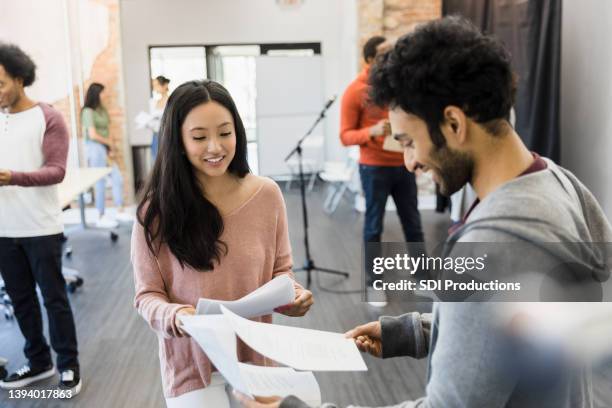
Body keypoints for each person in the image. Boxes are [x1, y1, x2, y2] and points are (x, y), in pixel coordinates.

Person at [234, 16, 612, 408]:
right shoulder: (559, 183)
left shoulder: (488, 248)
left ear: (453, 122)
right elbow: (510, 325)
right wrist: (411, 333)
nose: (410, 162)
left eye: (409, 142)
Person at [132, 79, 314, 407]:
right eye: (200, 137)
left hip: (255, 358)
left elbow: (281, 272)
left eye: (225, 133)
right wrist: (176, 316)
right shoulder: (156, 210)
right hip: (191, 363)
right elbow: (147, 295)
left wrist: (293, 297)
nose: (215, 147)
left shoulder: (267, 194)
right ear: (178, 141)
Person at [0, 43, 81, 396]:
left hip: (41, 227)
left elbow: (56, 170)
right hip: (4, 229)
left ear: (20, 78)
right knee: (21, 301)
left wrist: (12, 176)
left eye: (1, 83)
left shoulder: (48, 117)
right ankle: (38, 361)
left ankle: (68, 366)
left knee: (54, 299)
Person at [340, 35, 424, 307]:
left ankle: (423, 278)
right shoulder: (355, 91)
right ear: (368, 60)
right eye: (383, 55)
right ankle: (374, 284)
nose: (390, 59)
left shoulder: (399, 87)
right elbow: (345, 136)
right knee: (373, 226)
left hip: (403, 165)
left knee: (413, 223)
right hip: (374, 168)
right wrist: (371, 131)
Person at [81, 82, 131, 228]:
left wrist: (110, 147)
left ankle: (120, 209)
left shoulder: (102, 110)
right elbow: (92, 134)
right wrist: (108, 142)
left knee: (117, 178)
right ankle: (100, 216)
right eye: (103, 93)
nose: (106, 95)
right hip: (95, 148)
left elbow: (108, 130)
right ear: (96, 94)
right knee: (100, 182)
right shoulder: (87, 111)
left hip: (105, 148)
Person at [148, 75, 170, 162]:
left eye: (156, 85)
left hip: (166, 135)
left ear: (164, 85)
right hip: (156, 135)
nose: (155, 88)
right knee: (155, 161)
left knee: (166, 161)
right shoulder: (154, 102)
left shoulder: (170, 100)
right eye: (154, 85)